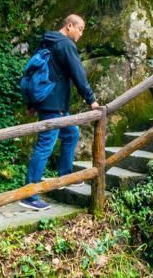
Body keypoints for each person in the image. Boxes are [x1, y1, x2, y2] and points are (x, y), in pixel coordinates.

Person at [20, 13, 100, 211]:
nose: (80, 34)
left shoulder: (47, 42)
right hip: (53, 105)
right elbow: (78, 74)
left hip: (50, 103)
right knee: (45, 145)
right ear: (69, 26)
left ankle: (66, 176)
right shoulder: (65, 44)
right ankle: (29, 194)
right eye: (80, 29)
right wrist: (92, 100)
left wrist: (32, 103)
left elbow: (34, 73)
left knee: (71, 133)